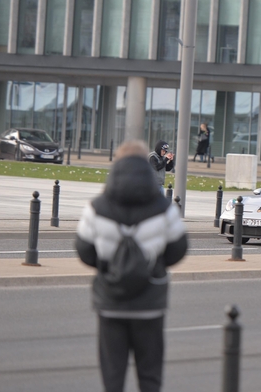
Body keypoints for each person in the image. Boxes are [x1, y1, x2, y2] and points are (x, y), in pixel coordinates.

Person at [74, 140, 188, 392]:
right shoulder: (163, 208)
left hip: (111, 302)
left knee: (112, 377)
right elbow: (179, 248)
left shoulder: (96, 208)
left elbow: (83, 250)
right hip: (150, 302)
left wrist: (108, 266)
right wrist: (154, 265)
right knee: (150, 376)